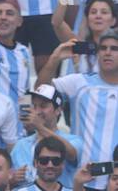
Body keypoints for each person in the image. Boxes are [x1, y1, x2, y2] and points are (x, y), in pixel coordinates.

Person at [40, 29, 118, 168]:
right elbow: (41, 90)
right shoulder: (80, 83)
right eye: (103, 48)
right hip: (81, 178)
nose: (107, 52)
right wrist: (55, 58)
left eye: (114, 48)